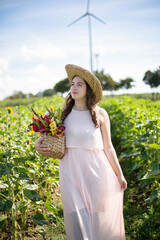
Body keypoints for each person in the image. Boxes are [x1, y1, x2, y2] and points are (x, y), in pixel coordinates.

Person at [35, 64, 127, 240]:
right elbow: (43, 139)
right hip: (70, 172)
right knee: (75, 218)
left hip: (97, 172)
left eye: (79, 84)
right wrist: (37, 146)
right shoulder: (61, 115)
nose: (74, 88)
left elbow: (108, 147)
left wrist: (120, 174)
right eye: (72, 84)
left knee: (98, 217)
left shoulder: (100, 114)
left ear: (89, 89)